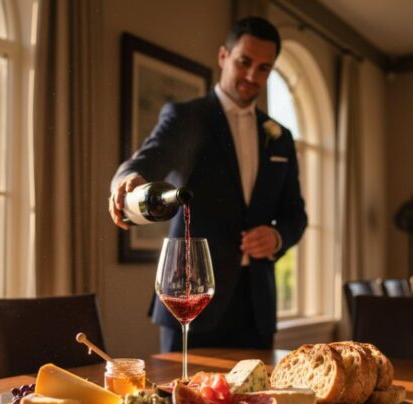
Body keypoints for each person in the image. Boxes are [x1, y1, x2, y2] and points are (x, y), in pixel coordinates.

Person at [109, 17, 307, 352]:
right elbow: (149, 159)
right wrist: (127, 178)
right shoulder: (188, 117)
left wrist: (277, 237)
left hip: (256, 308)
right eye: (244, 62)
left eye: (263, 68)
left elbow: (296, 215)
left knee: (255, 402)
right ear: (223, 56)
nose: (251, 76)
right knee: (180, 400)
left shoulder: (280, 137)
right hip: (191, 301)